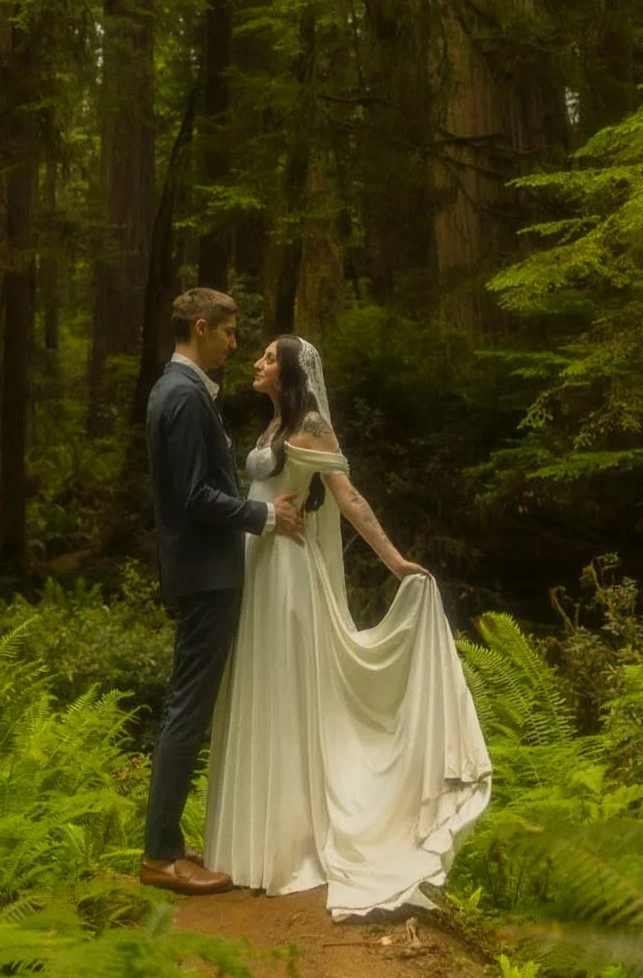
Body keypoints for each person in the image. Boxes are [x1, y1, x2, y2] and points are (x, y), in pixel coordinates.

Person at [204, 335, 493, 917]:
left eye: (266, 357)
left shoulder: (309, 424)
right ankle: (251, 845)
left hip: (287, 572)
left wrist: (395, 561)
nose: (256, 364)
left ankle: (290, 847)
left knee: (285, 692)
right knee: (259, 690)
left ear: (286, 369)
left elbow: (348, 497)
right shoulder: (273, 425)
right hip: (257, 566)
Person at [140, 289, 306, 895]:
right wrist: (261, 518)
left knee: (189, 705)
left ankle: (167, 845)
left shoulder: (178, 391)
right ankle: (160, 855)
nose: (236, 345)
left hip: (204, 569)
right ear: (202, 328)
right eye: (230, 333)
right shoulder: (181, 396)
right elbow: (191, 496)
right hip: (206, 572)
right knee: (188, 708)